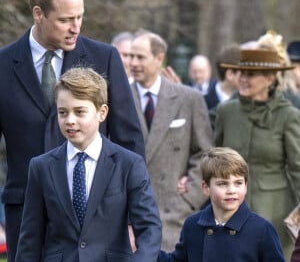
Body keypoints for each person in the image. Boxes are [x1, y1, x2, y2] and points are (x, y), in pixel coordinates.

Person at [0, 0, 145, 262]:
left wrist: (132, 213)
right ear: (38, 14)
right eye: (66, 19)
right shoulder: (3, 64)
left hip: (95, 216)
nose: (75, 27)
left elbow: (129, 139)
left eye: (79, 17)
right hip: (25, 214)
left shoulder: (104, 58)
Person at [15, 67, 161, 262]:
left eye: (80, 112)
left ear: (102, 112)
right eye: (63, 112)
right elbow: (30, 238)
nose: (70, 120)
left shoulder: (129, 164)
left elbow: (149, 228)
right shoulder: (41, 167)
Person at [130, 30, 213, 251]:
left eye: (140, 57)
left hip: (175, 214)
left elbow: (204, 152)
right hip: (130, 215)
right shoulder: (117, 98)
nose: (133, 63)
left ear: (159, 58)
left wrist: (190, 197)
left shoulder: (189, 99)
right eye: (130, 56)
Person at [215, 48, 300, 260]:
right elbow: (215, 160)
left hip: (274, 209)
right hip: (229, 207)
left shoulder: (288, 115)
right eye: (240, 73)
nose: (242, 79)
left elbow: (298, 167)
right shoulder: (226, 111)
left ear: (271, 78)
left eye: (250, 74)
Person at [158, 147, 285, 262]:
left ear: (246, 186)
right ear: (206, 187)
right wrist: (139, 250)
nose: (231, 190)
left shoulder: (262, 229)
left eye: (238, 183)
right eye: (223, 184)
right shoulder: (192, 225)